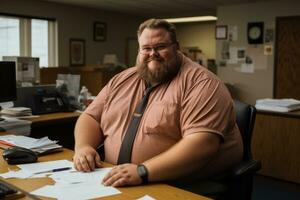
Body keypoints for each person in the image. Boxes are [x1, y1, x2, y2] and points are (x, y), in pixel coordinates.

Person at [73, 18, 243, 188]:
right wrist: (83, 147)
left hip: (180, 184)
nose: (152, 53)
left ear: (176, 48)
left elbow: (202, 144)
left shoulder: (203, 83)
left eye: (161, 47)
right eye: (146, 48)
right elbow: (91, 117)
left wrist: (142, 171)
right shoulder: (122, 80)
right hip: (115, 179)